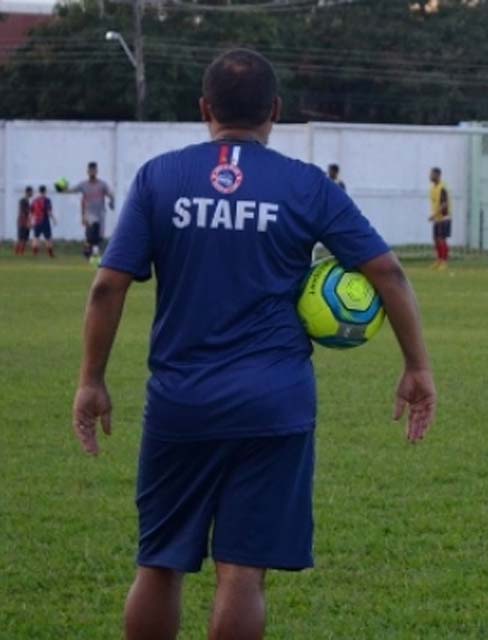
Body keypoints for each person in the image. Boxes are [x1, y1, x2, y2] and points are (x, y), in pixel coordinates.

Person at [71, 49, 437, 640]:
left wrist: (91, 379)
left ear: (204, 109)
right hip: (275, 403)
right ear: (275, 111)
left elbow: (108, 285)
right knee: (243, 575)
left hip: (181, 401)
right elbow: (388, 273)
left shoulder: (160, 178)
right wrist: (416, 366)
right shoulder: (304, 185)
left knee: (160, 563)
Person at [67, 161, 115, 262]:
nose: (92, 172)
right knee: (91, 235)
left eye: (94, 170)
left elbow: (110, 194)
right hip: (89, 214)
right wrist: (62, 188)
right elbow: (72, 189)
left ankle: (90, 255)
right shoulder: (83, 185)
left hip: (101, 213)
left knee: (98, 238)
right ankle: (92, 255)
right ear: (87, 172)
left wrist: (111, 202)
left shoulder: (102, 184)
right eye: (90, 171)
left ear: (96, 171)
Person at [428, 167, 451, 270]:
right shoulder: (433, 188)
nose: (430, 176)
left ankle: (444, 261)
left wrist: (434, 214)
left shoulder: (442, 187)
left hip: (444, 218)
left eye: (432, 174)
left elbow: (444, 204)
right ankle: (438, 260)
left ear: (438, 175)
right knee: (436, 239)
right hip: (437, 218)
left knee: (442, 239)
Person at [30, 185, 57, 258]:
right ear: (45, 191)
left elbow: (31, 212)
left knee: (36, 237)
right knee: (48, 238)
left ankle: (35, 254)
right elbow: (49, 211)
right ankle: (50, 254)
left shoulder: (34, 200)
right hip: (45, 221)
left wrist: (31, 221)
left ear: (39, 191)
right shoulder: (47, 200)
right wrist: (54, 219)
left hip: (37, 221)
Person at [14, 186, 33, 256]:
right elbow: (22, 212)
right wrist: (27, 222)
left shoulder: (27, 201)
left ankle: (21, 253)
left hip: (25, 221)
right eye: (31, 192)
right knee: (20, 238)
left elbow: (28, 213)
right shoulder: (22, 201)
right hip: (22, 221)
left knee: (25, 238)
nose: (32, 193)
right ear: (28, 192)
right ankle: (17, 253)